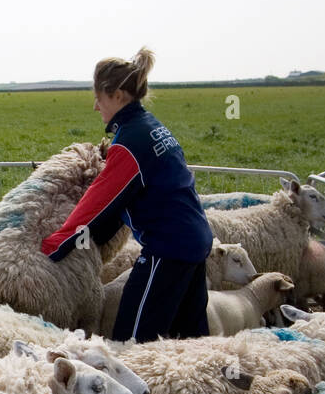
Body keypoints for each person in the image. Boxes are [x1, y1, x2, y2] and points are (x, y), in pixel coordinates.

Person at [41, 48, 214, 342]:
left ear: (118, 95)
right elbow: (131, 197)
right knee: (191, 338)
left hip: (168, 248)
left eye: (98, 97)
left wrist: (54, 245)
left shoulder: (129, 141)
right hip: (195, 239)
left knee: (132, 339)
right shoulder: (153, 127)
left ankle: (137, 387)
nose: (96, 106)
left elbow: (99, 199)